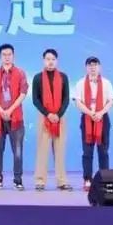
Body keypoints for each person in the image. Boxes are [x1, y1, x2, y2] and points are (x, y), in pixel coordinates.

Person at [0, 43, 28, 191]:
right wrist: (1, 110)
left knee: (17, 150)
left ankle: (18, 179)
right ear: (0, 57)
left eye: (9, 54)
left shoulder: (20, 73)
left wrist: (10, 110)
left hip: (16, 117)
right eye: (4, 55)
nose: (7, 57)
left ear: (13, 56)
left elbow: (23, 93)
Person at [32, 48, 73, 191]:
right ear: (43, 60)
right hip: (44, 117)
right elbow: (35, 99)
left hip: (60, 117)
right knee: (42, 150)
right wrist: (48, 114)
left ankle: (62, 181)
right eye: (48, 59)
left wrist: (58, 115)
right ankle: (40, 181)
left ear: (57, 61)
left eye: (53, 59)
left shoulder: (63, 77)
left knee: (60, 150)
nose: (50, 62)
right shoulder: (37, 78)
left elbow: (66, 98)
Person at [74, 56, 113, 191]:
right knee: (87, 151)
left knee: (103, 151)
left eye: (95, 65)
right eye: (90, 65)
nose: (93, 68)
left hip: (102, 118)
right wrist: (89, 113)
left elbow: (110, 101)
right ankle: (87, 179)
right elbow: (78, 102)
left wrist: (100, 113)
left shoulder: (107, 83)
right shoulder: (80, 83)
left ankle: (105, 180)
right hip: (87, 118)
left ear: (99, 67)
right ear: (86, 68)